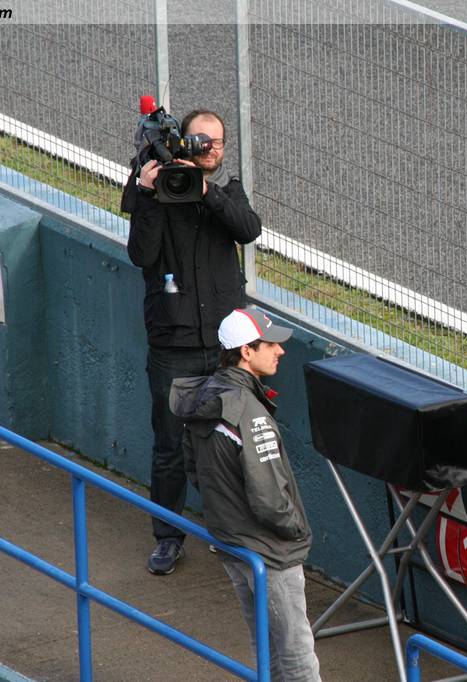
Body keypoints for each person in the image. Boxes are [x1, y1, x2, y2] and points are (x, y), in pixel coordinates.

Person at [126, 109, 263, 575]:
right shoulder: (155, 191)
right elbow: (142, 255)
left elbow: (248, 229)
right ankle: (167, 537)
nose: (210, 149)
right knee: (170, 445)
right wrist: (149, 194)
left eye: (217, 142)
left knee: (236, 444)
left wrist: (205, 191)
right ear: (182, 141)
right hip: (175, 343)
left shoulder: (226, 191)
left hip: (226, 345)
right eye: (201, 140)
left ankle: (239, 538)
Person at [170, 307, 321, 682]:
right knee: (297, 657)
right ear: (246, 352)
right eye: (270, 345)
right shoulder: (250, 414)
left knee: (266, 651)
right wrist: (297, 531)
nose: (280, 351)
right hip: (268, 551)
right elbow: (270, 500)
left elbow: (194, 470)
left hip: (231, 542)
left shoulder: (205, 395)